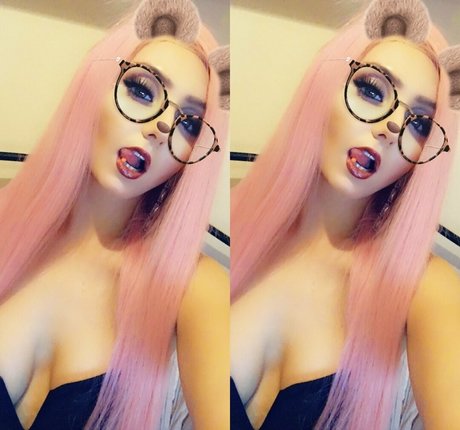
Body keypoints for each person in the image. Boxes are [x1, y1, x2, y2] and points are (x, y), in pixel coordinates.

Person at [231, 0, 460, 429]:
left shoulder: (427, 286)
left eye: (419, 123)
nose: (392, 126)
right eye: (373, 91)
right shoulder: (236, 228)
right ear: (324, 89)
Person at [0, 0, 229, 429]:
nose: (162, 126)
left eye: (189, 123)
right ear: (92, 89)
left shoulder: (196, 287)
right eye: (142, 90)